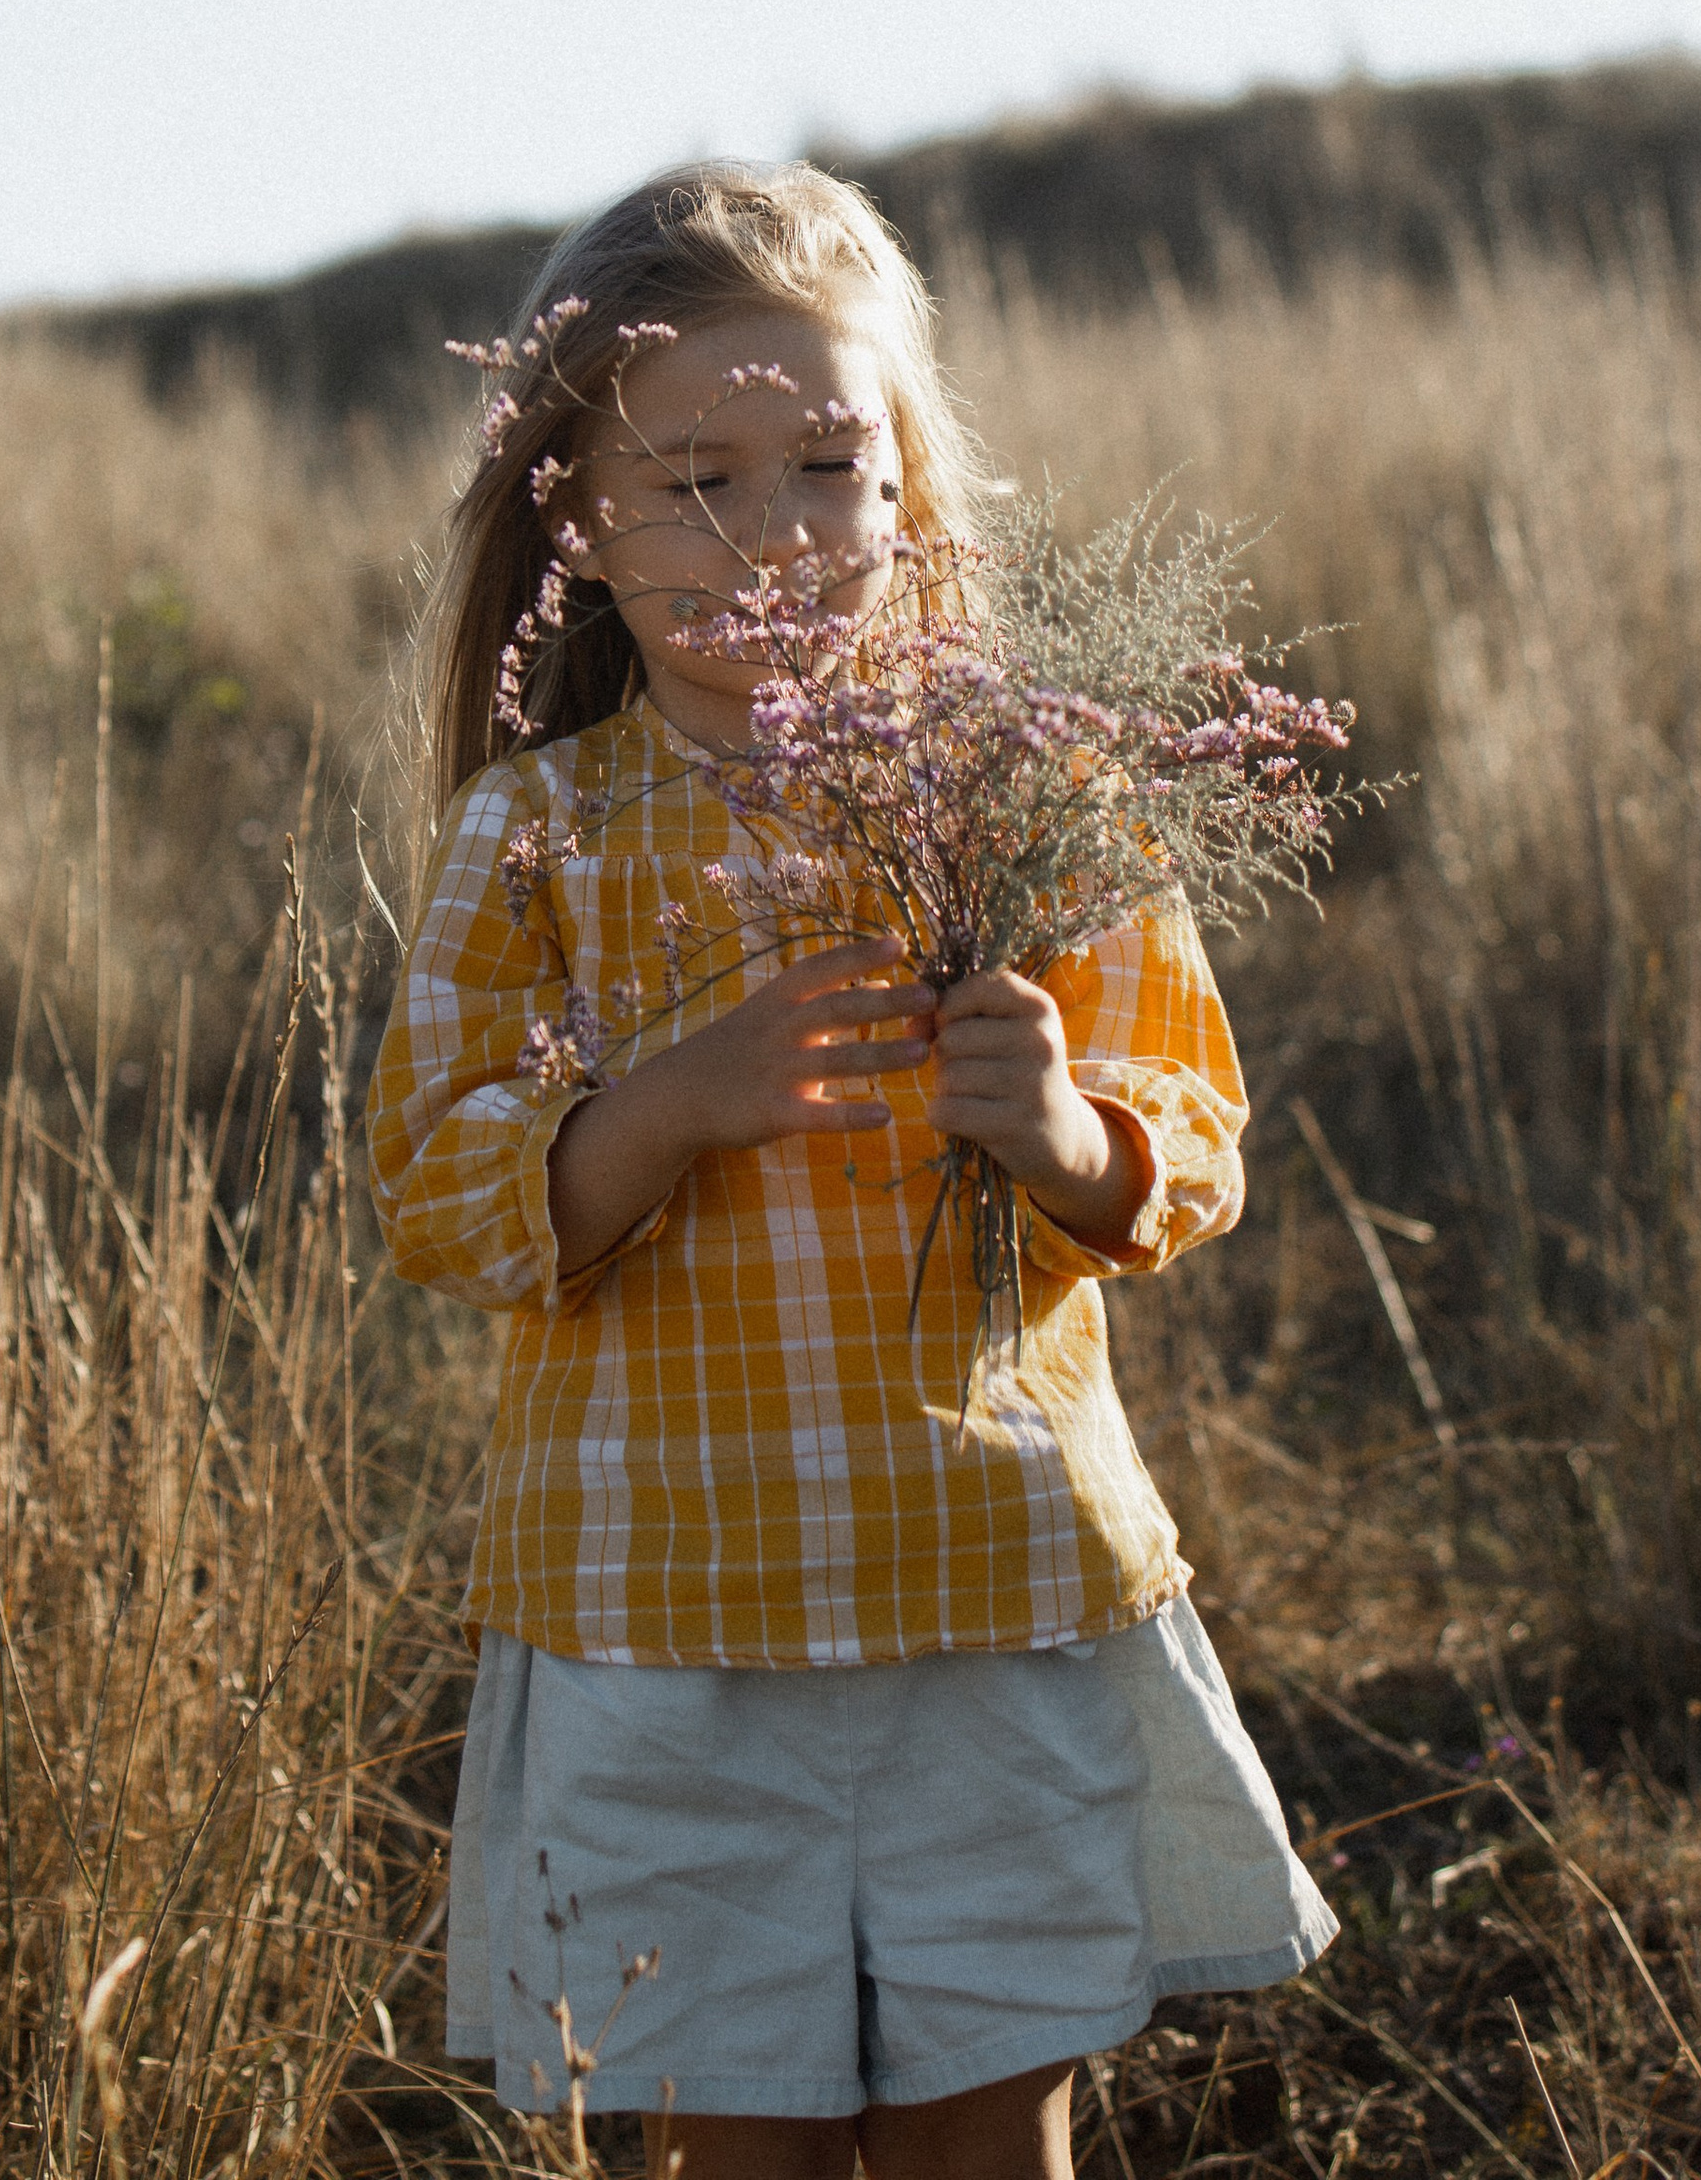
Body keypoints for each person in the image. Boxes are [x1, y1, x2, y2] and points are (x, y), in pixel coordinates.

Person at [366, 160, 1332, 2178]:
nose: (775, 532)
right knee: (733, 2140)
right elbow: (435, 1189)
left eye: (824, 460)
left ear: (907, 485)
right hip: (662, 1631)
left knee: (997, 2123)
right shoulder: (540, 833)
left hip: (992, 1586)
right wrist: (664, 1105)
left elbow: (1192, 1128)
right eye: (694, 478)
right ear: (582, 519)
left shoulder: (1029, 792)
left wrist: (1064, 1133)